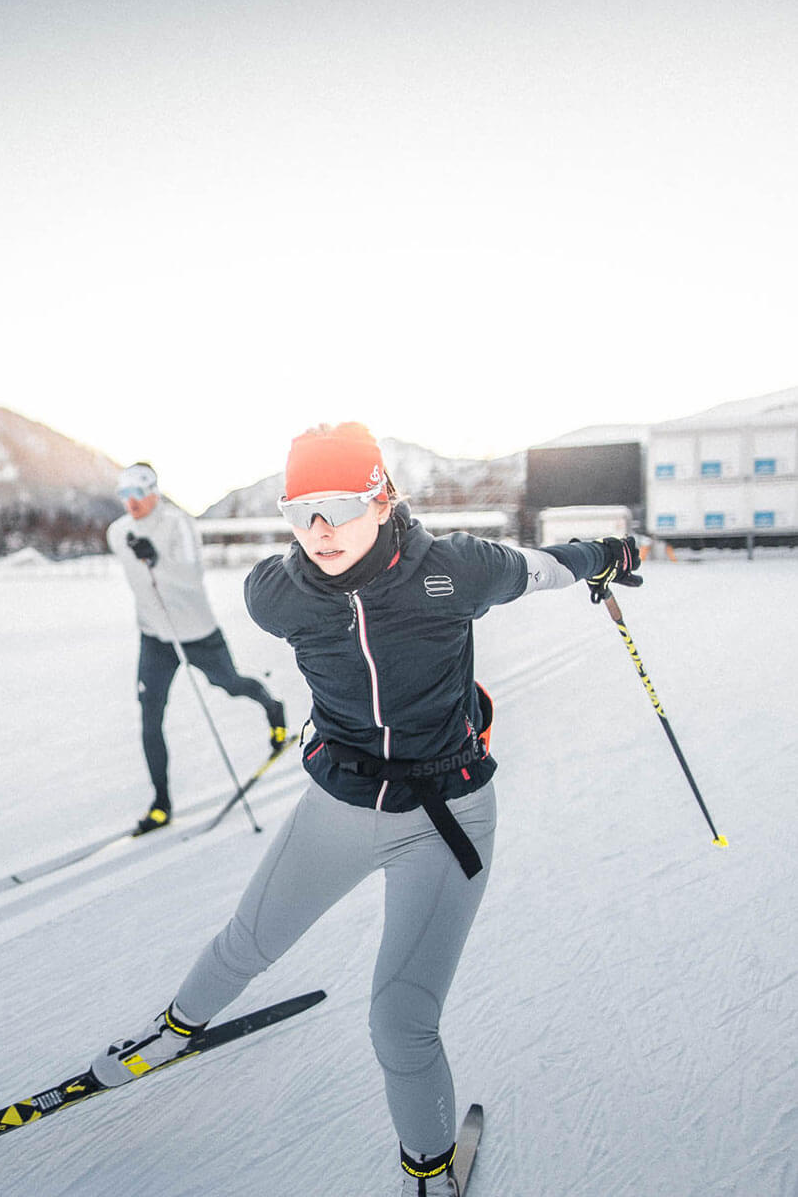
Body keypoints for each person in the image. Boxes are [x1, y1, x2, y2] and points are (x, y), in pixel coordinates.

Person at [89, 424, 641, 1196]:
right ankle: (175, 1030)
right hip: (339, 803)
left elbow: (542, 567)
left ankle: (428, 1173)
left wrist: (606, 556)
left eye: (340, 506)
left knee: (399, 1022)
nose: (318, 531)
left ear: (381, 498)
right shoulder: (273, 594)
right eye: (299, 511)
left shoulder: (453, 568)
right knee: (246, 940)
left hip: (444, 819)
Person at [107, 462, 288, 833]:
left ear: (153, 491)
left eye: (137, 493)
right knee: (150, 713)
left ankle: (273, 707)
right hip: (155, 637)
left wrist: (156, 557)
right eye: (124, 495)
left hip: (198, 633)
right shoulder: (118, 532)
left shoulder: (178, 524)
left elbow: (191, 575)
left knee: (231, 685)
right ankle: (161, 804)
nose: (131, 502)